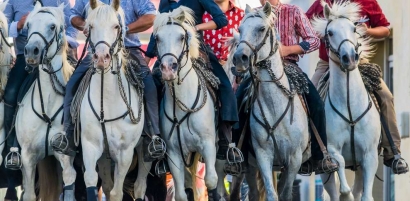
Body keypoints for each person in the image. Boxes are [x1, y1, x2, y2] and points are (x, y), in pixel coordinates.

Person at [50, 0, 167, 162]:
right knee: (72, 85)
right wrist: (90, 25)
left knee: (149, 86)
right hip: (95, 52)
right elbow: (72, 15)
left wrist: (123, 29)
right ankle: (67, 135)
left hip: (128, 49)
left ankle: (154, 136)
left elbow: (151, 17)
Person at [234, 0, 339, 174]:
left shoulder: (294, 11)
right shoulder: (253, 14)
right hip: (258, 68)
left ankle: (320, 156)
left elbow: (312, 40)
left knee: (317, 104)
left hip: (289, 67)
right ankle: (239, 155)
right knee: (238, 100)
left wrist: (288, 50)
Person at [306, 0, 409, 174]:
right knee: (308, 98)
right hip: (327, 63)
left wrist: (366, 31)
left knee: (386, 96)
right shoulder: (321, 4)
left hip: (360, 61)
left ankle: (393, 153)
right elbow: (304, 27)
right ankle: (310, 154)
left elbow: (384, 29)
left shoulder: (368, 2)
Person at [146, 0, 242, 168]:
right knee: (151, 87)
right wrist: (147, 59)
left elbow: (221, 20)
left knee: (225, 87)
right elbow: (157, 32)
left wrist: (196, 28)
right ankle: (157, 142)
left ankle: (227, 143)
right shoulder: (165, 2)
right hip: (168, 54)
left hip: (196, 51)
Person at [3, 0, 78, 169]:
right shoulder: (14, 2)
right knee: (11, 92)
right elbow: (3, 25)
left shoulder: (60, 1)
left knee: (78, 90)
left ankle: (74, 141)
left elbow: (72, 27)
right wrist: (19, 25)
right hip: (26, 57)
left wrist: (66, 40)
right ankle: (12, 147)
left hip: (58, 58)